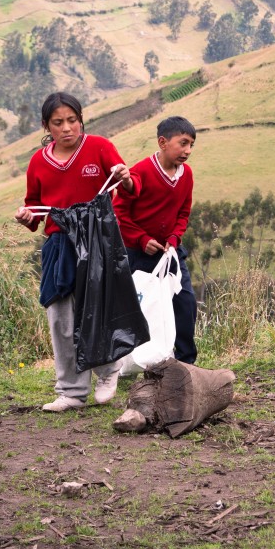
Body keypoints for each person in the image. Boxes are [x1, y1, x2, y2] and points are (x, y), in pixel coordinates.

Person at [15, 92, 134, 412]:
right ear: (46, 126)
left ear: (81, 120)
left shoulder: (99, 147)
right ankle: (71, 391)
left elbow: (128, 187)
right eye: (58, 122)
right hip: (59, 244)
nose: (67, 128)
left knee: (97, 311)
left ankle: (109, 370)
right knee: (60, 318)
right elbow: (34, 208)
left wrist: (125, 178)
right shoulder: (38, 162)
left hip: (97, 241)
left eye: (72, 120)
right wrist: (27, 217)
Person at [114, 116, 199, 365]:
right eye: (183, 143)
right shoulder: (141, 171)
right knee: (140, 308)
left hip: (171, 253)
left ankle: (185, 362)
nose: (188, 150)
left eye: (191, 145)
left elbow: (184, 212)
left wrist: (174, 236)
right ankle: (134, 362)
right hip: (137, 254)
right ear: (163, 142)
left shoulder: (186, 174)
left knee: (185, 302)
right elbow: (119, 213)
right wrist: (142, 239)